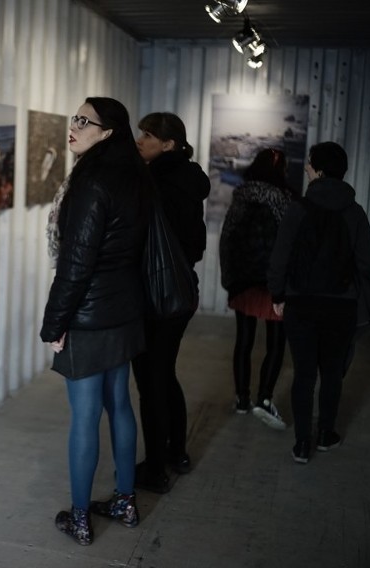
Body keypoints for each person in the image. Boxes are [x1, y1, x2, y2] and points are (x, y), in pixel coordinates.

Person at [40, 97, 150, 546]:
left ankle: (81, 518)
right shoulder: (135, 177)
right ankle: (125, 501)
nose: (74, 126)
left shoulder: (92, 181)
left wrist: (55, 323)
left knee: (85, 417)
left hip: (89, 314)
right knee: (119, 405)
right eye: (74, 117)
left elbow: (77, 263)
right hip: (124, 310)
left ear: (107, 133)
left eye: (85, 121)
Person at [267, 142, 370, 465]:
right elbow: (369, 263)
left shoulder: (298, 208)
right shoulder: (355, 212)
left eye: (309, 164)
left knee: (304, 373)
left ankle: (303, 443)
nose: (305, 168)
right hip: (341, 306)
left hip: (301, 304)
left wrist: (277, 295)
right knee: (332, 372)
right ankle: (326, 433)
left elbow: (280, 258)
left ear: (318, 169)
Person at [130, 112, 209, 493]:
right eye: (141, 133)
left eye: (149, 135)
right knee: (164, 373)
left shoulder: (156, 182)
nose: (140, 139)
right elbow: (196, 244)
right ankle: (176, 451)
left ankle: (155, 468)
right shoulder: (189, 180)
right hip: (181, 292)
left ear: (170, 144)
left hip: (155, 294)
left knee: (150, 381)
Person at [219, 148, 293, 430]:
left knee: (244, 340)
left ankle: (241, 399)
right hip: (274, 283)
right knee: (276, 342)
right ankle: (264, 399)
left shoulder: (241, 197)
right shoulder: (285, 200)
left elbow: (227, 238)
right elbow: (289, 245)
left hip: (244, 281)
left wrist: (230, 278)